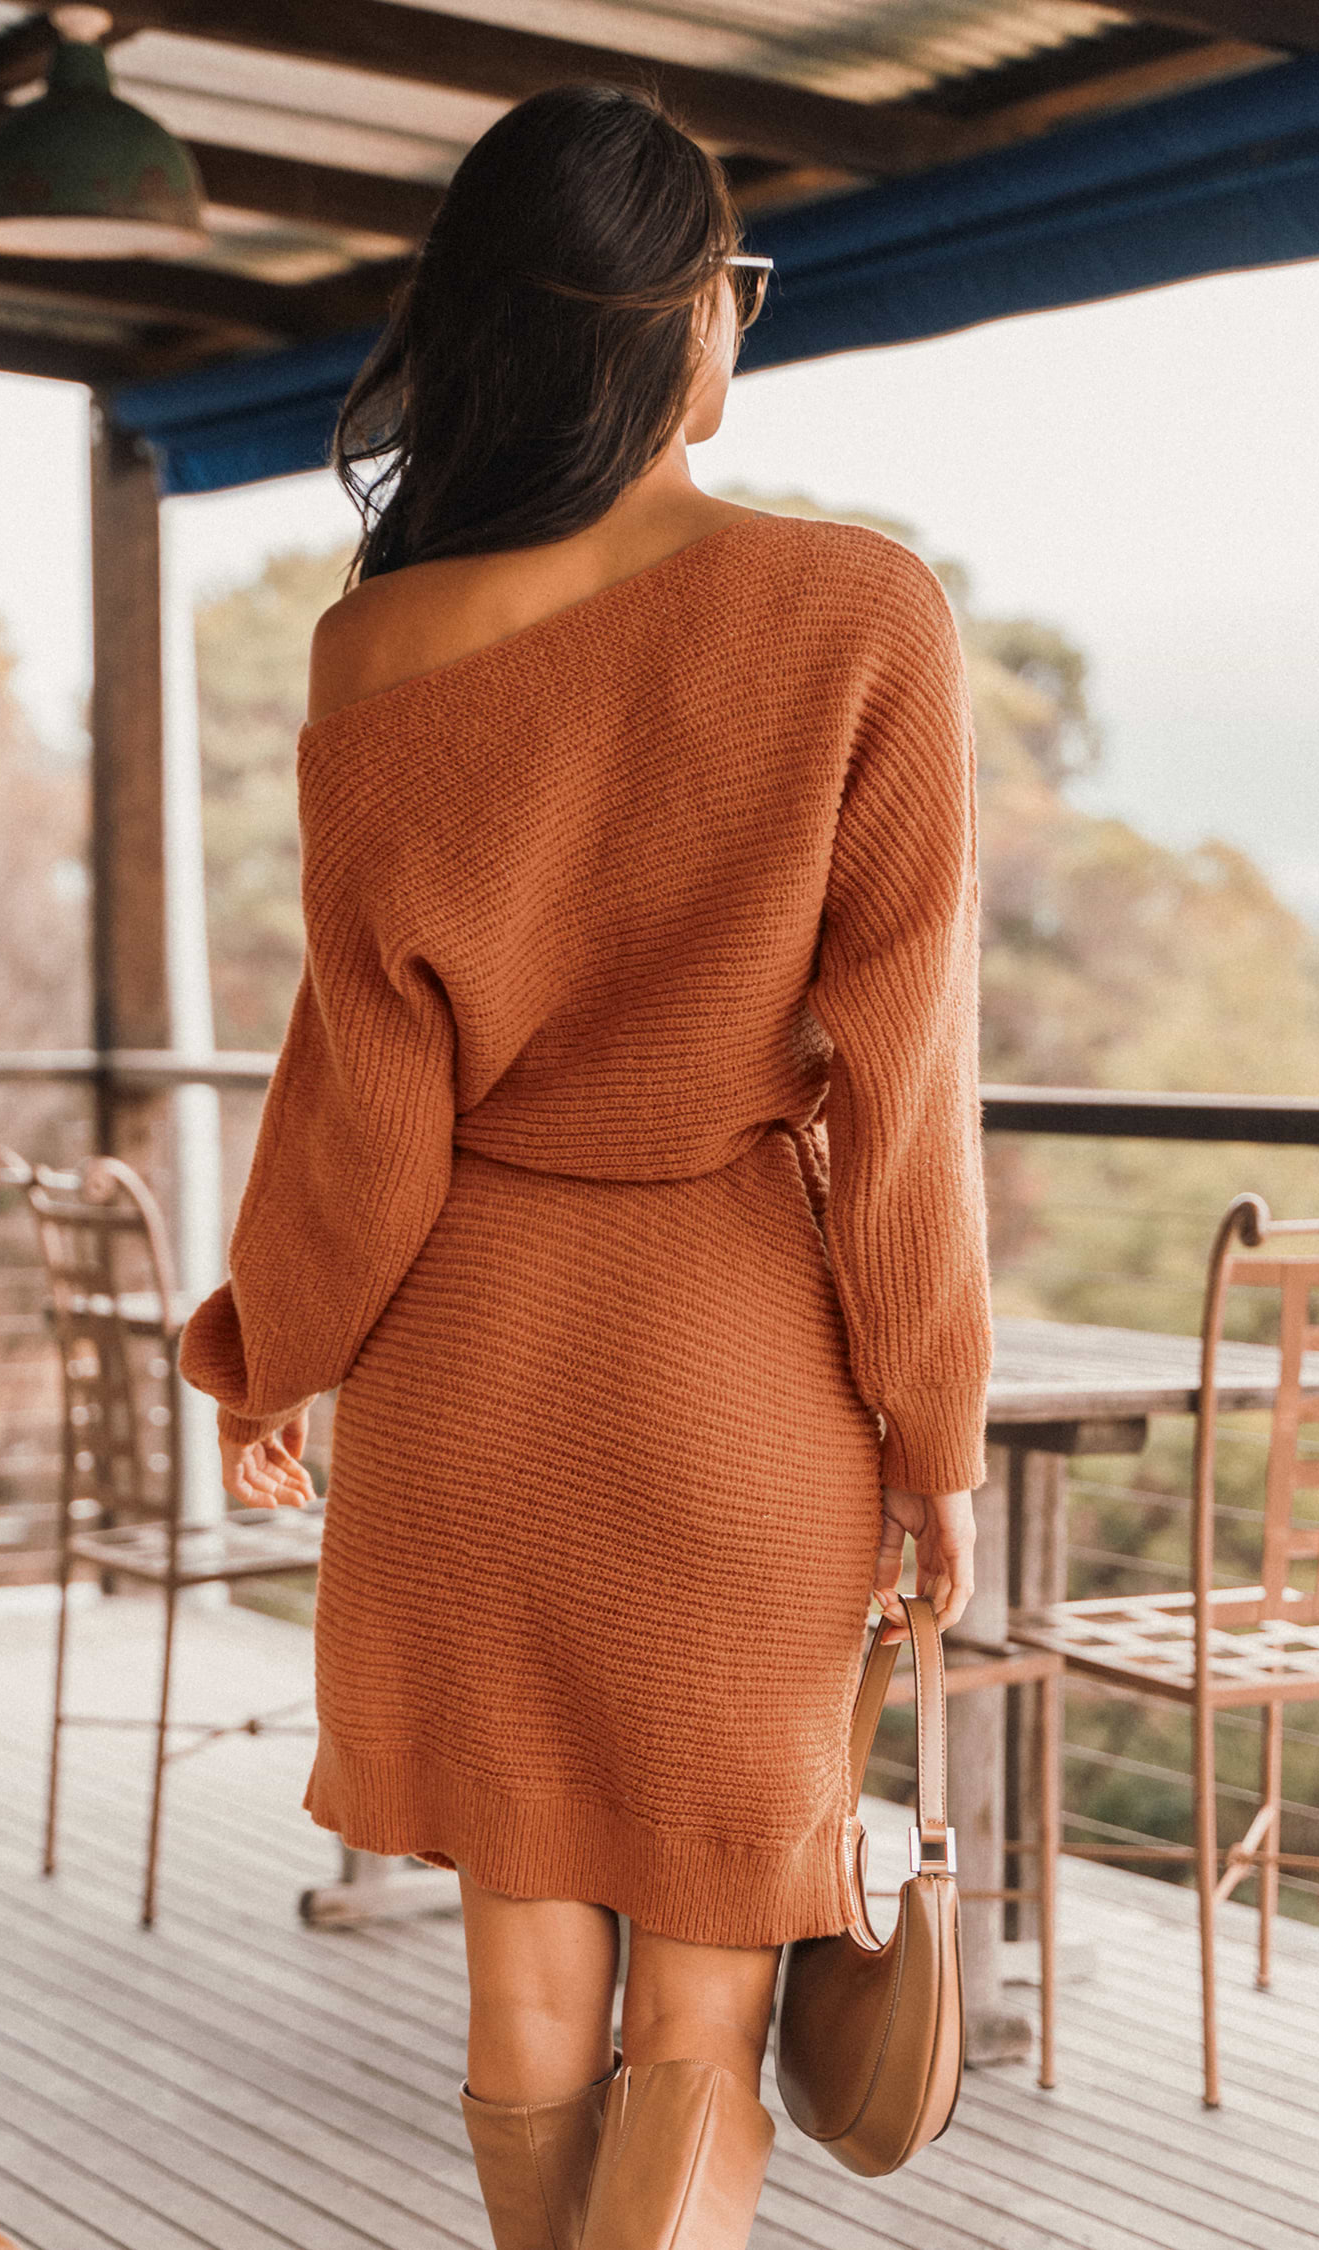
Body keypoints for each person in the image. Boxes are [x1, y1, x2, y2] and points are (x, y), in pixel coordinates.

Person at [180, 80, 990, 2250]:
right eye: (735, 286)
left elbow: (364, 1097)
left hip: (469, 1394)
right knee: (699, 2024)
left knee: (524, 2002)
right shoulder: (860, 612)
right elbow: (900, 1097)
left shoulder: (375, 647)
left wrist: (273, 1348)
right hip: (743, 1393)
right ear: (679, 319)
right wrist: (935, 1435)